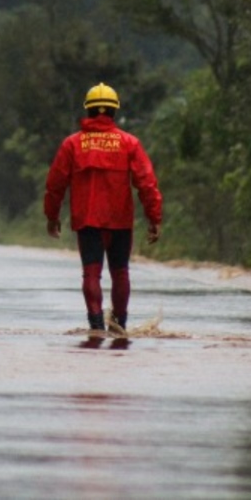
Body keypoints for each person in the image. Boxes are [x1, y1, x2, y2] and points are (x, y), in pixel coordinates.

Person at [44, 83, 162, 333]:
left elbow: (55, 185)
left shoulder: (72, 144)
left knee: (91, 273)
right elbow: (147, 183)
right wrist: (154, 218)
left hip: (87, 221)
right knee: (120, 272)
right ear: (114, 111)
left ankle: (96, 325)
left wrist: (52, 217)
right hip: (120, 221)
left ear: (88, 111)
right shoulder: (129, 143)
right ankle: (119, 326)